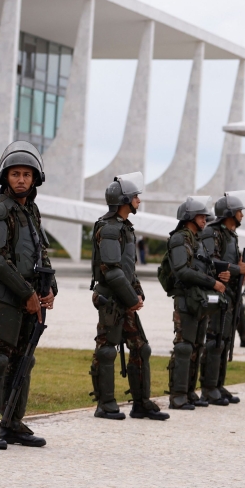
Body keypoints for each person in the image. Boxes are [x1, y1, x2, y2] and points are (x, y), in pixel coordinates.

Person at [0, 141, 57, 450]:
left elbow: (41, 253)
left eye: (26, 174)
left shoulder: (31, 210)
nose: (21, 180)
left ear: (35, 179)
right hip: (4, 300)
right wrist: (27, 294)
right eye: (15, 174)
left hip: (30, 300)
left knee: (24, 359)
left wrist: (49, 289)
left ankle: (11, 421)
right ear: (4, 177)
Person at [89, 172, 167, 421]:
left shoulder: (124, 228)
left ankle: (141, 404)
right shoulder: (110, 228)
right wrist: (132, 298)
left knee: (140, 348)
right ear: (124, 199)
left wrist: (137, 291)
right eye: (136, 197)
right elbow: (111, 272)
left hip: (124, 297)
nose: (139, 201)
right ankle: (106, 404)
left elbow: (127, 267)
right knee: (107, 350)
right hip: (111, 300)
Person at [165, 196, 225, 410]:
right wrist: (213, 282)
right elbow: (181, 270)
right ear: (189, 216)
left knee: (196, 346)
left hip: (198, 300)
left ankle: (189, 392)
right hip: (185, 299)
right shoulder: (180, 239)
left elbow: (202, 267)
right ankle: (178, 395)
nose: (205, 218)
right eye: (201, 215)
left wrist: (219, 277)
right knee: (184, 347)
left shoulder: (196, 239)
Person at [200, 190, 245, 404]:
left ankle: (219, 385)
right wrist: (239, 270)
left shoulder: (231, 235)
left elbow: (233, 265)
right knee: (214, 340)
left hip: (230, 295)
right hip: (217, 294)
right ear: (230, 213)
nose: (242, 215)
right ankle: (209, 387)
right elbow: (212, 262)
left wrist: (243, 271)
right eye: (239, 211)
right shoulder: (213, 232)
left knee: (225, 340)